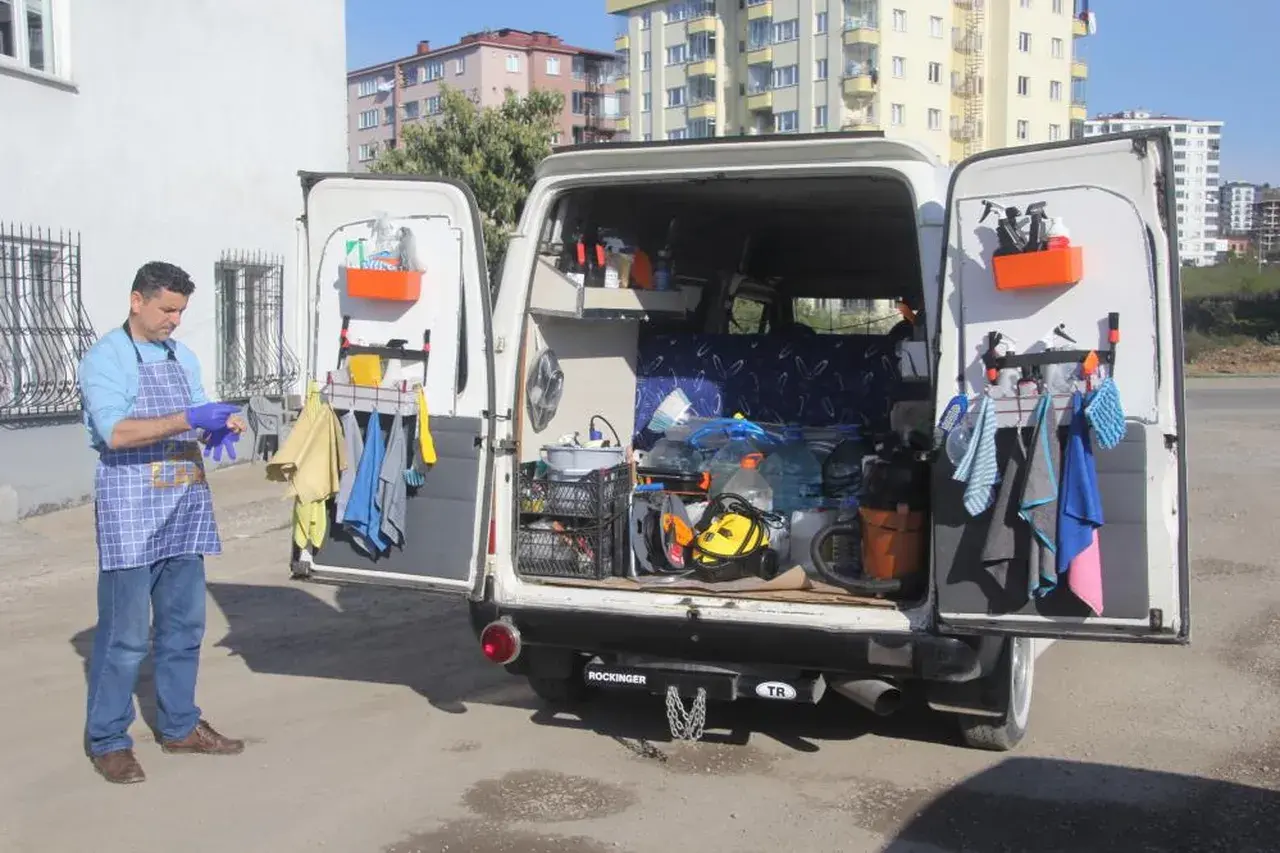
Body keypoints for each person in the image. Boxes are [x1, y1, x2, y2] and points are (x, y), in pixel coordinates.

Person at [78, 261, 248, 784]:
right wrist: (187, 420)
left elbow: (196, 412)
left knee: (183, 629)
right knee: (126, 637)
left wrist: (218, 424)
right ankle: (108, 739)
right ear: (137, 300)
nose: (174, 320)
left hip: (183, 510)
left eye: (180, 311)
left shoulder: (182, 356)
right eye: (167, 309)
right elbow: (117, 434)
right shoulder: (106, 358)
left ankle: (179, 726)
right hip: (131, 512)